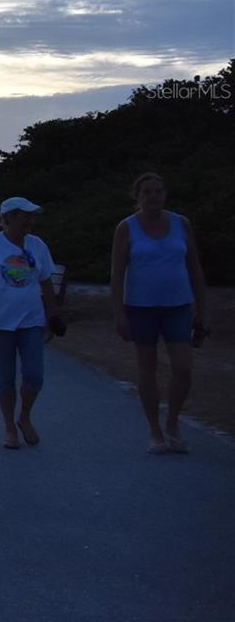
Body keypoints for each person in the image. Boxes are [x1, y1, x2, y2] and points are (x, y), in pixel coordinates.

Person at [109, 173, 210, 454]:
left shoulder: (181, 223)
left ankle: (172, 422)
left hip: (178, 306)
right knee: (147, 368)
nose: (153, 196)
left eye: (158, 191)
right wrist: (119, 313)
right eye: (147, 192)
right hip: (140, 308)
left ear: (165, 194)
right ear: (137, 196)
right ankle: (154, 429)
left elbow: (195, 268)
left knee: (183, 368)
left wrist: (202, 310)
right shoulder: (126, 228)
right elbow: (117, 273)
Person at [0, 197, 58, 450]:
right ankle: (9, 426)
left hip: (32, 321)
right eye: (24, 215)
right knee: (5, 378)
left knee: (34, 375)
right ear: (8, 218)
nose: (30, 220)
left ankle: (24, 417)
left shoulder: (37, 245)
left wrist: (53, 316)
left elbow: (46, 282)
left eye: (32, 216)